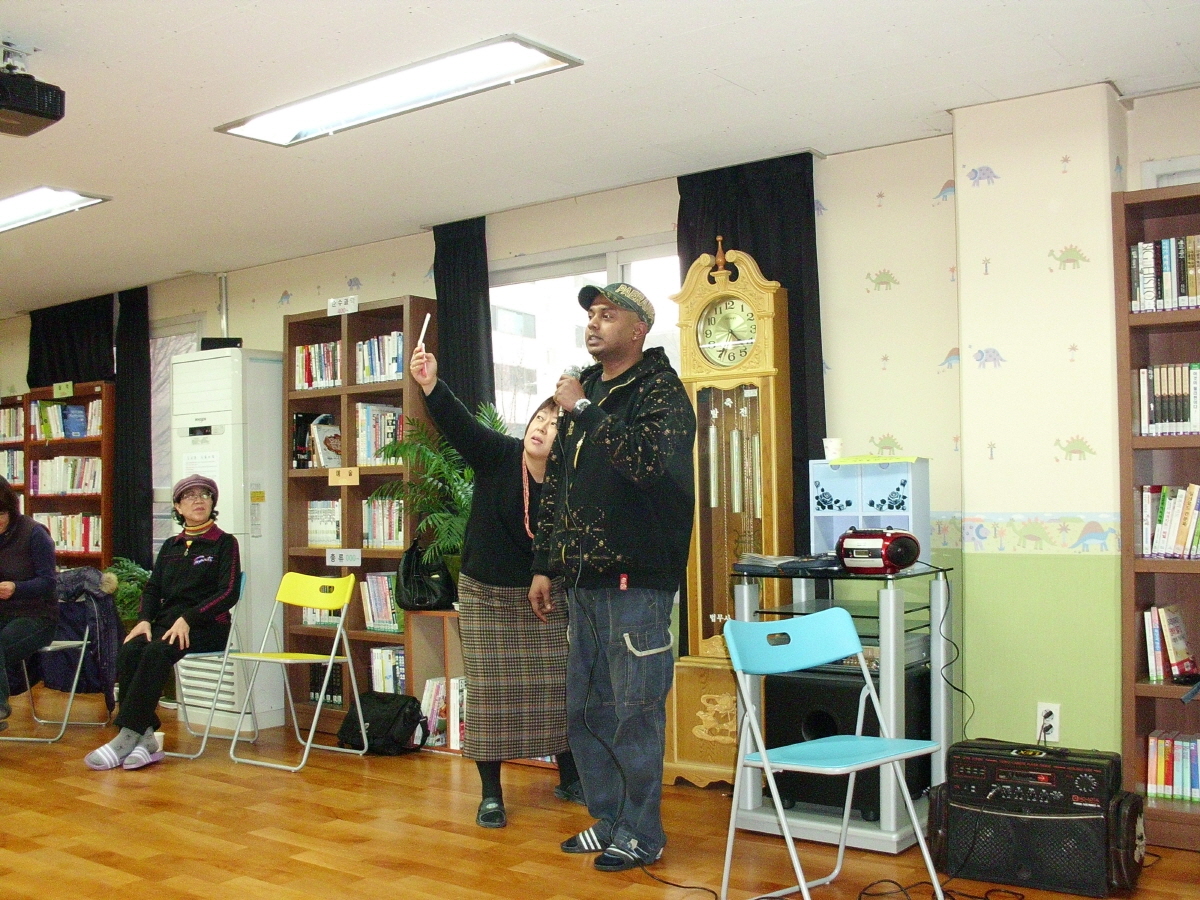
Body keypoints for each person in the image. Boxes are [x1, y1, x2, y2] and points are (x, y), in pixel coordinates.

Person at [530, 282, 696, 873]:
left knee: (635, 713)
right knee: (586, 712)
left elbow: (647, 464)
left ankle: (643, 833)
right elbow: (557, 486)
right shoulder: (588, 389)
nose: (594, 323)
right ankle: (609, 819)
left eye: (608, 315)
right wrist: (544, 565)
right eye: (592, 315)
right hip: (582, 584)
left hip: (636, 584)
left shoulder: (661, 391)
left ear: (638, 329)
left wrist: (582, 409)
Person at [409, 343, 580, 828]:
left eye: (554, 424)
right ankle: (490, 794)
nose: (541, 427)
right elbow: (459, 424)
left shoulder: (570, 480)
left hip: (546, 598)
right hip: (486, 594)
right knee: (489, 695)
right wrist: (430, 384)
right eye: (538, 418)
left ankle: (570, 777)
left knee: (558, 687)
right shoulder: (499, 455)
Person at [85, 474, 241, 770]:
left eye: (204, 495)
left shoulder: (225, 543)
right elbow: (153, 588)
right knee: (131, 649)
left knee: (157, 652)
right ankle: (145, 737)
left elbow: (229, 592)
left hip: (208, 626)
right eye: (189, 496)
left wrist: (189, 618)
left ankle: (126, 735)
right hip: (167, 624)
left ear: (213, 503)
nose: (198, 500)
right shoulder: (171, 545)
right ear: (178, 507)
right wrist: (144, 620)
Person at [0, 476, 57, 731]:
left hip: (37, 616)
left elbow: (49, 583)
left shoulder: (34, 533)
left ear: (10, 510)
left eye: (1, 514)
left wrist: (16, 588)